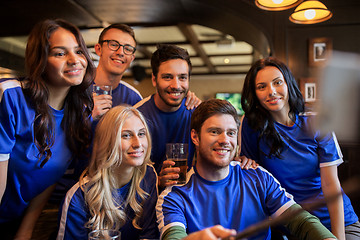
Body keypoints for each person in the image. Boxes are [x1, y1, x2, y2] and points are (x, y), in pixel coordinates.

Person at [156, 99, 337, 240]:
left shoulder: (258, 177)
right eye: (214, 131)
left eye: (231, 132)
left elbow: (299, 219)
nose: (225, 140)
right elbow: (173, 235)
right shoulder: (174, 195)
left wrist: (327, 237)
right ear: (195, 137)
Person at [240, 57, 360, 240]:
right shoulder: (251, 125)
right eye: (261, 87)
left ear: (288, 83)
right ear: (254, 93)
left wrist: (338, 237)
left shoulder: (315, 120)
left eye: (277, 82)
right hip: (291, 225)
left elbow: (330, 185)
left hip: (336, 221)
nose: (271, 91)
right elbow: (253, 177)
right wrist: (243, 161)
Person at [0, 19, 94, 239]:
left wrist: (25, 231)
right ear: (40, 61)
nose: (74, 60)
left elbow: (47, 177)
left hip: (14, 219)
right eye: (60, 53)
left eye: (78, 51)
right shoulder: (11, 96)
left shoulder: (79, 113)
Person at [57, 106, 159, 239]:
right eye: (126, 135)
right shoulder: (78, 197)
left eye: (141, 133)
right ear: (107, 142)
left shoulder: (148, 175)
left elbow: (149, 236)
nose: (138, 143)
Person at [92, 23, 200, 120]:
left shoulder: (133, 98)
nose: (121, 52)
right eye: (114, 44)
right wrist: (88, 117)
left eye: (128, 49)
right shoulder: (77, 89)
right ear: (98, 49)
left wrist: (187, 98)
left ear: (132, 58)